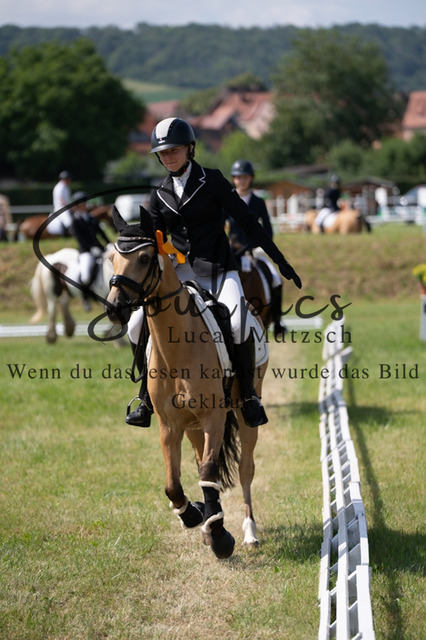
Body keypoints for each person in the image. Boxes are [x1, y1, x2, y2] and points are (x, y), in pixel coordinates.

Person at [125, 117, 302, 429]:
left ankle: (248, 396)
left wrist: (279, 260)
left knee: (238, 324)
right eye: (163, 153)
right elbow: (154, 240)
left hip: (218, 270)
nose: (168, 157)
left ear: (190, 149)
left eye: (174, 150)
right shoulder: (159, 194)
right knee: (136, 324)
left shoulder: (213, 180)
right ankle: (145, 398)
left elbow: (247, 221)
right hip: (180, 276)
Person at [227, 159, 287, 339]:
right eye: (238, 177)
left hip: (254, 250)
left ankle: (277, 322)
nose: (242, 181)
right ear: (234, 179)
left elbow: (267, 229)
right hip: (234, 251)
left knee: (276, 279)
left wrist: (261, 246)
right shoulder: (228, 201)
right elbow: (219, 227)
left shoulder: (259, 202)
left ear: (251, 178)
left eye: (245, 177)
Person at [68, 191, 110, 311]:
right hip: (86, 251)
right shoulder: (75, 220)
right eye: (82, 203)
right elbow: (79, 238)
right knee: (86, 275)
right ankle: (85, 298)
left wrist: (108, 243)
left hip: (99, 249)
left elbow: (101, 233)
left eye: (85, 202)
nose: (84, 204)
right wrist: (91, 249)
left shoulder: (91, 218)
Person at [47, 170, 73, 236]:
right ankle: (71, 233)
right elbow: (62, 200)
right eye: (69, 179)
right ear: (65, 179)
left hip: (66, 207)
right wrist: (70, 207)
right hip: (61, 208)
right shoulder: (59, 187)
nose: (70, 181)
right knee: (69, 221)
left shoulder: (66, 187)